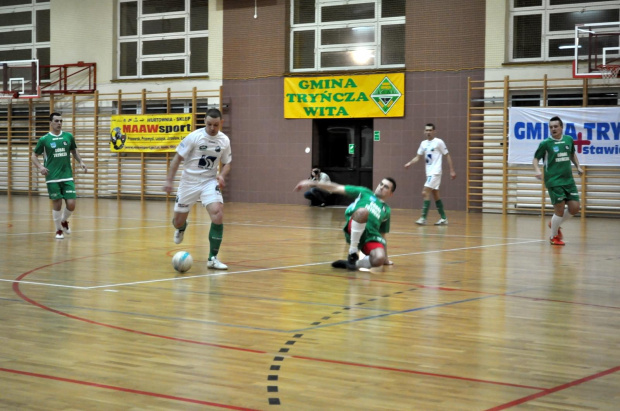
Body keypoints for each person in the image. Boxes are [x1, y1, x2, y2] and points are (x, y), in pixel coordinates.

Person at [163, 108, 231, 269]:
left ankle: (212, 258)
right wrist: (169, 180)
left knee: (218, 213)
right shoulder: (194, 137)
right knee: (177, 221)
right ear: (204, 122)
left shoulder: (224, 141)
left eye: (215, 125)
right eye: (209, 124)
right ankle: (182, 227)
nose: (212, 128)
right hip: (189, 182)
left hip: (209, 181)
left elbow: (228, 162)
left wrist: (222, 175)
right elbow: (177, 158)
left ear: (221, 123)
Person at [294, 177, 396, 271]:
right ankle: (352, 253)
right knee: (363, 211)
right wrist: (312, 182)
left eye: (386, 187)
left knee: (379, 259)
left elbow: (382, 236)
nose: (381, 187)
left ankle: (354, 264)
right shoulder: (365, 192)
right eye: (381, 184)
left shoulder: (386, 210)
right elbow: (337, 187)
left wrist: (385, 259)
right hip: (354, 226)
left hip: (371, 237)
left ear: (391, 194)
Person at [31, 112, 88, 239]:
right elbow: (33, 156)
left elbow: (74, 151)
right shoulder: (44, 139)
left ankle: (64, 220)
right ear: (51, 123)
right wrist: (40, 167)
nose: (59, 123)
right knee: (57, 204)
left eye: (61, 121)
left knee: (71, 204)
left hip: (67, 175)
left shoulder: (68, 136)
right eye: (56, 121)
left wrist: (81, 162)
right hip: (52, 177)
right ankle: (58, 230)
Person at [532, 116, 583, 246]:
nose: (553, 129)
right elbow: (535, 159)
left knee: (575, 208)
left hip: (568, 180)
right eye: (551, 127)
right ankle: (553, 236)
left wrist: (578, 166)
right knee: (559, 210)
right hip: (554, 181)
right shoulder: (545, 143)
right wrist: (537, 170)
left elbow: (572, 154)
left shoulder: (568, 140)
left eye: (555, 126)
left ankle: (555, 223)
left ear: (561, 127)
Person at [404, 123, 456, 225]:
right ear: (424, 131)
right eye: (426, 130)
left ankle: (423, 218)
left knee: (425, 192)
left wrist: (452, 170)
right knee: (435, 194)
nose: (428, 132)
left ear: (434, 131)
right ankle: (444, 218)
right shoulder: (423, 143)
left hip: (435, 172)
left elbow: (447, 155)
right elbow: (418, 157)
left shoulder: (439, 142)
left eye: (430, 130)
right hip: (429, 173)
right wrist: (410, 163)